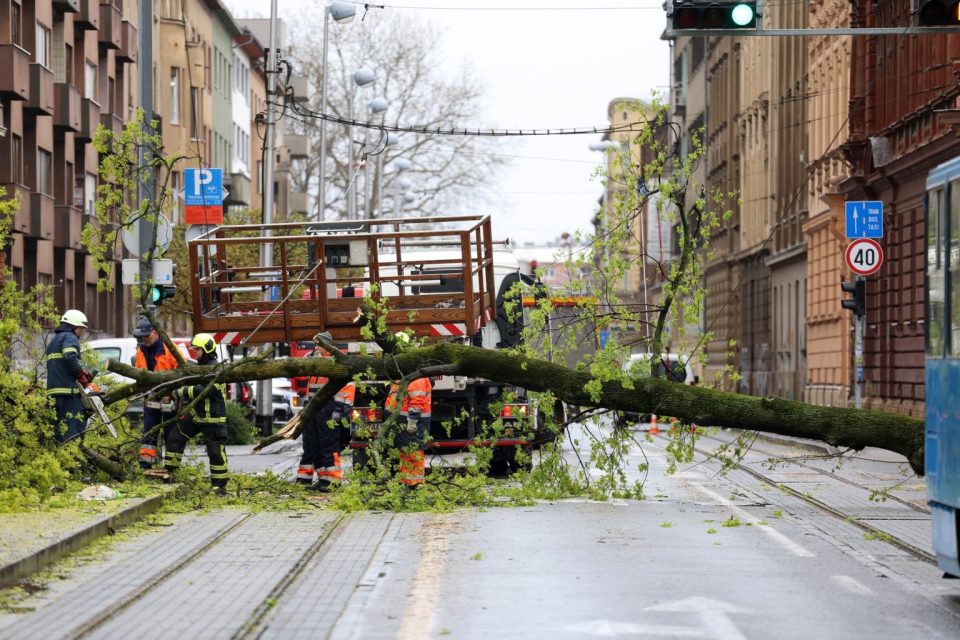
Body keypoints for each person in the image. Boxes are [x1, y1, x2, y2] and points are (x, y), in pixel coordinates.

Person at [163, 333, 230, 495]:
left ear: (206, 349)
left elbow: (205, 391)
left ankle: (219, 486)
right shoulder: (199, 366)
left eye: (197, 350)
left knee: (215, 452)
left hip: (213, 417)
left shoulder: (216, 368)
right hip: (196, 415)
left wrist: (181, 392)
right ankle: (169, 473)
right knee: (174, 438)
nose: (194, 353)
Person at [296, 332, 355, 491]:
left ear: (326, 345)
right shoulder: (316, 360)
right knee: (315, 445)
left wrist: (341, 411)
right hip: (315, 408)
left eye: (318, 345)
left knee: (329, 445)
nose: (315, 348)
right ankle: (324, 480)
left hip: (330, 408)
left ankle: (334, 481)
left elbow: (348, 389)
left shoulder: (336, 361)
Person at [133, 316, 180, 468]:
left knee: (171, 435)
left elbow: (184, 371)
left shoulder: (169, 348)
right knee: (148, 435)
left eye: (146, 336)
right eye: (141, 337)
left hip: (169, 399)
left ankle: (171, 469)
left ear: (155, 332)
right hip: (151, 400)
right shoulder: (141, 351)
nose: (144, 339)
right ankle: (145, 468)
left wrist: (175, 392)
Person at [46, 310, 93, 443]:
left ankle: (62, 460)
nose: (81, 333)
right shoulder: (70, 337)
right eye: (81, 329)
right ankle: (74, 461)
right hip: (68, 394)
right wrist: (80, 375)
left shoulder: (53, 341)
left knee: (60, 432)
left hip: (54, 394)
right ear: (74, 327)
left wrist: (81, 371)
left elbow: (61, 363)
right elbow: (70, 356)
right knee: (73, 433)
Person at [385, 372, 432, 487]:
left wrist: (412, 422)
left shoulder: (416, 379)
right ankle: (407, 481)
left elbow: (416, 402)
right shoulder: (405, 377)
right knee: (406, 451)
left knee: (413, 451)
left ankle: (415, 483)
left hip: (413, 422)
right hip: (403, 421)